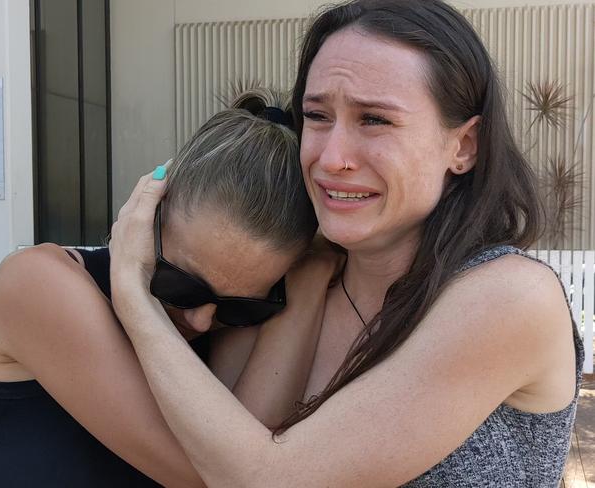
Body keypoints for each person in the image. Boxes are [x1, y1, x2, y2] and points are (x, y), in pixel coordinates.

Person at [108, 1, 584, 486]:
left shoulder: (508, 297)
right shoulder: (274, 291)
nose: (331, 158)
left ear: (463, 146)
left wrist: (132, 291)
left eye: (374, 119)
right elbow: (219, 454)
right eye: (317, 116)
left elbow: (268, 479)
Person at [0, 88, 338, 487]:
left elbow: (246, 454)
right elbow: (221, 477)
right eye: (181, 284)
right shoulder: (36, 284)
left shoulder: (227, 316)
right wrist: (131, 287)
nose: (202, 321)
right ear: (147, 214)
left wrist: (311, 275)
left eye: (240, 307)